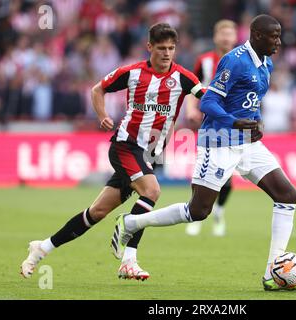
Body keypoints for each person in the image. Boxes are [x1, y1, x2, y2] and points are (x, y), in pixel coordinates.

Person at [111, 14, 296, 291]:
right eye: (273, 36)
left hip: (248, 144)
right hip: (218, 141)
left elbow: (248, 103)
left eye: (279, 35)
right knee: (198, 210)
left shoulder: (267, 62)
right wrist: (234, 122)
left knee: (287, 195)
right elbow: (209, 102)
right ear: (256, 35)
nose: (278, 41)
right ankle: (132, 222)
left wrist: (255, 123)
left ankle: (273, 273)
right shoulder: (234, 61)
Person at [20, 23, 205, 281]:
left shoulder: (183, 77)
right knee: (151, 191)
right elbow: (98, 89)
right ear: (149, 47)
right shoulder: (132, 73)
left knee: (95, 213)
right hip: (126, 146)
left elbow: (205, 97)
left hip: (150, 153)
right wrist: (102, 115)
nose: (166, 53)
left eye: (171, 48)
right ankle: (129, 260)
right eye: (161, 48)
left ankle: (41, 249)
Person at [185, 19, 238, 237]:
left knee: (226, 176)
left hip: (234, 124)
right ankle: (195, 214)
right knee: (201, 171)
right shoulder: (205, 60)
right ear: (215, 37)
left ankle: (218, 211)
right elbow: (192, 87)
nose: (226, 37)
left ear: (235, 37)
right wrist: (190, 109)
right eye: (222, 33)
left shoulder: (243, 60)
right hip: (209, 123)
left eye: (230, 33)